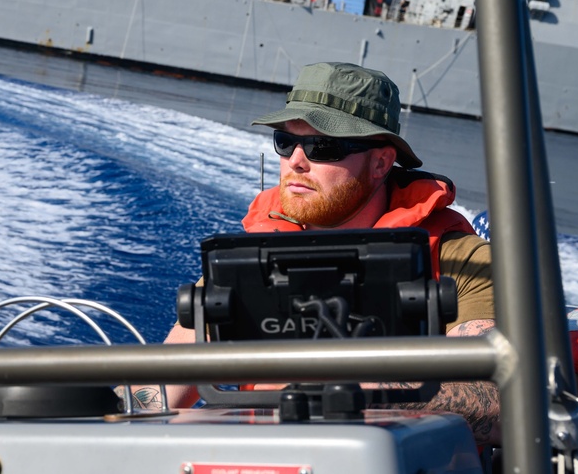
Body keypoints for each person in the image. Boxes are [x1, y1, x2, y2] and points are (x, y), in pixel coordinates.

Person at [154, 62, 499, 445]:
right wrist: (113, 414)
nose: (296, 161)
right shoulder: (244, 267)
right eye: (285, 143)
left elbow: (496, 397)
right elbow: (160, 391)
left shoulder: (462, 263)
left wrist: (347, 385)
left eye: (324, 147)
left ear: (381, 162)